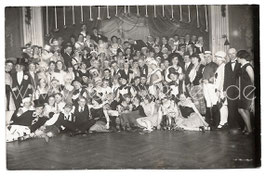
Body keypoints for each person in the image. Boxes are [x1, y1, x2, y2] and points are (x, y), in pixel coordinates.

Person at [224, 48, 243, 132]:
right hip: (229, 89)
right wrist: (224, 90)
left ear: (236, 54)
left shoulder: (241, 63)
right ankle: (232, 125)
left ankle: (241, 125)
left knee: (240, 107)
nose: (231, 56)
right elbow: (226, 78)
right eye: (229, 54)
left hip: (239, 89)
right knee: (231, 107)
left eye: (233, 53)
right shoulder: (227, 65)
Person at [236, 50, 255, 135]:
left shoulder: (248, 67)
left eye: (238, 57)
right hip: (242, 92)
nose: (237, 59)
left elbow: (253, 80)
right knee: (245, 110)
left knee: (241, 109)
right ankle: (247, 128)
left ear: (242, 57)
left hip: (247, 92)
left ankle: (249, 130)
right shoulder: (242, 66)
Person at [214, 51, 228, 129]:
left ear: (220, 59)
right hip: (219, 89)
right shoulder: (220, 67)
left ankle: (223, 122)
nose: (216, 60)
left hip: (222, 89)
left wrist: (219, 90)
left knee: (222, 105)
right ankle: (223, 121)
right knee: (222, 106)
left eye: (216, 58)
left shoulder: (223, 67)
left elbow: (222, 79)